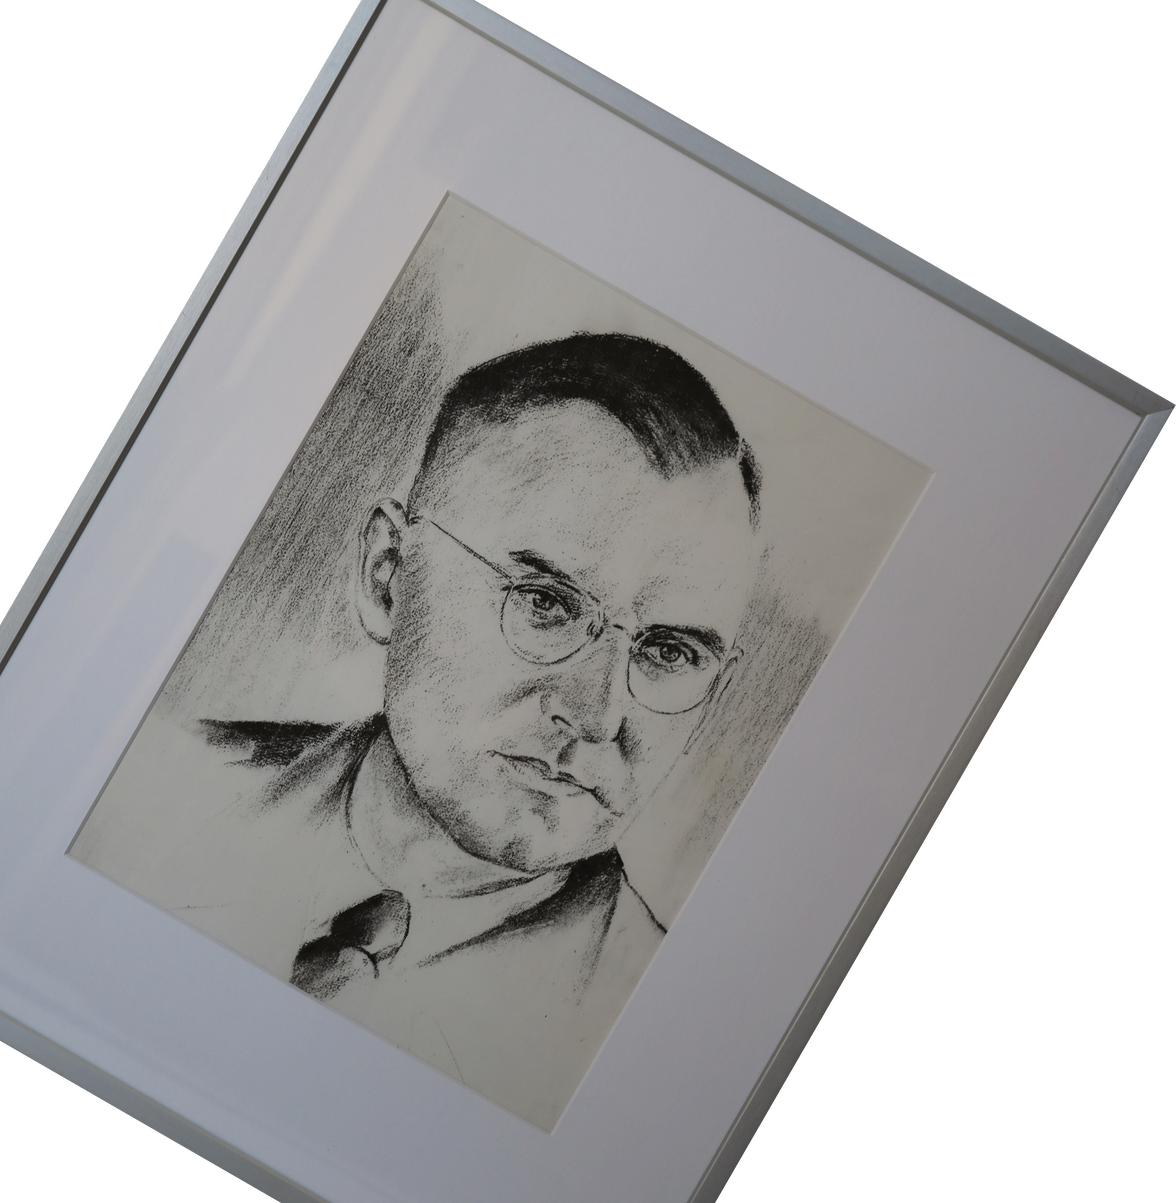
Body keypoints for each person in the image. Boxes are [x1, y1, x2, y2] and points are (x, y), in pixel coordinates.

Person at [73, 332, 761, 1128]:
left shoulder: (655, 1073)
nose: (599, 713)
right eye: (545, 602)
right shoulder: (136, 783)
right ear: (388, 577)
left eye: (669, 652)